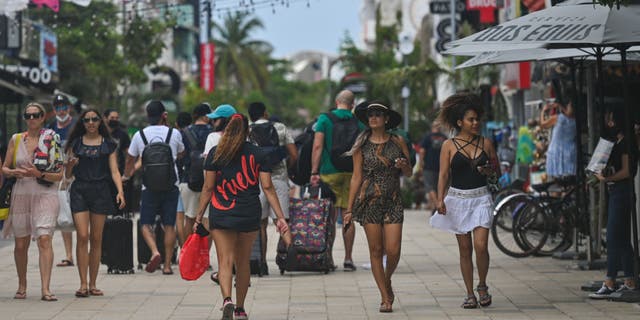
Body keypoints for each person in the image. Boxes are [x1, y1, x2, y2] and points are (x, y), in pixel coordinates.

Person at [193, 113, 290, 320]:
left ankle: (227, 299)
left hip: (222, 212)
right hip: (248, 213)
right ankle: (240, 308)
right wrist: (280, 217)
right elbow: (268, 187)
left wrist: (199, 216)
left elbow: (208, 187)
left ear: (226, 129)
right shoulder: (259, 154)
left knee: (225, 261)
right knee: (243, 262)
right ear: (248, 131)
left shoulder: (215, 153)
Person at [430, 92, 497, 309]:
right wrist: (440, 199)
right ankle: (469, 293)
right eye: (471, 119)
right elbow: (443, 175)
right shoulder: (448, 145)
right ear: (460, 122)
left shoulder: (486, 143)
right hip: (457, 200)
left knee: (481, 245)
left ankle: (483, 285)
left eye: (477, 119)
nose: (476, 123)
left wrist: (489, 170)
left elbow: (497, 170)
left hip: (481, 198)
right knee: (465, 249)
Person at [345, 102, 411, 313]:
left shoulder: (398, 141)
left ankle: (387, 279)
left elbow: (409, 172)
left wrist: (404, 166)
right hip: (369, 201)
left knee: (393, 250)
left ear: (386, 119)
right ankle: (385, 297)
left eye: (378, 114)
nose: (373, 118)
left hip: (393, 200)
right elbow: (356, 177)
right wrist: (348, 209)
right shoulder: (361, 145)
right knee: (376, 250)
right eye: (370, 115)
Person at [2, 102, 64, 301]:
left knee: (44, 238)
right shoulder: (16, 139)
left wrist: (40, 173)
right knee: (21, 244)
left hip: (45, 193)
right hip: (21, 193)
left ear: (43, 117)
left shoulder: (52, 139)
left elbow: (60, 174)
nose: (31, 119)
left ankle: (46, 288)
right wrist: (13, 172)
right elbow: (4, 168)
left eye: (35, 115)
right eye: (27, 116)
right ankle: (22, 285)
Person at [64, 109, 126, 297]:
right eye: (87, 120)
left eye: (94, 119)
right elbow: (67, 176)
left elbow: (114, 171)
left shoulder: (108, 144)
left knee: (96, 238)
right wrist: (70, 166)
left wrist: (120, 192)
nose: (91, 122)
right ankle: (82, 284)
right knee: (83, 235)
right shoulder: (75, 144)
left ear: (100, 121)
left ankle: (92, 283)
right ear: (82, 122)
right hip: (80, 190)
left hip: (101, 191)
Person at [124, 101, 184, 274]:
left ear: (147, 115)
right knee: (169, 226)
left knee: (145, 224)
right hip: (171, 185)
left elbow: (130, 159)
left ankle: (154, 251)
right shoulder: (174, 133)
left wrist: (127, 175)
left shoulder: (139, 135)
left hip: (148, 187)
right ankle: (166, 265)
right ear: (163, 115)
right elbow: (181, 153)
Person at [310, 89, 363, 271]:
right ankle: (348, 259)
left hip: (328, 173)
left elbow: (317, 146)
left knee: (329, 217)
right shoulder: (359, 121)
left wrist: (314, 171)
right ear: (353, 104)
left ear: (336, 101)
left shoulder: (324, 119)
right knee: (348, 216)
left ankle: (329, 258)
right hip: (352, 173)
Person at [589, 108, 637, 298]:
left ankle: (610, 280)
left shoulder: (626, 142)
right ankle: (630, 279)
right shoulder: (618, 141)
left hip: (622, 191)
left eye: (610, 118)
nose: (608, 122)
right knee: (623, 239)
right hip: (617, 191)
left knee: (614, 237)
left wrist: (607, 178)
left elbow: (626, 172)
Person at [248, 101, 298, 275]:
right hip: (279, 178)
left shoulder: (247, 129)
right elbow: (293, 153)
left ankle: (261, 263)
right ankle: (289, 249)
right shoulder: (280, 128)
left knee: (260, 224)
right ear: (265, 113)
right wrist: (288, 169)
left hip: (257, 180)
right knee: (281, 218)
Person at [49, 94, 77, 268]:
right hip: (58, 178)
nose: (61, 110)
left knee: (80, 214)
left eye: (64, 106)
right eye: (58, 107)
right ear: (54, 110)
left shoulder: (76, 126)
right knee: (64, 215)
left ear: (69, 108)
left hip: (76, 176)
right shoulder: (51, 127)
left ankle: (86, 250)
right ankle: (68, 256)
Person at [179, 104, 213, 246]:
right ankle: (204, 256)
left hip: (188, 179)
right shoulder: (213, 133)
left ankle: (188, 252)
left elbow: (179, 155)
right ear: (205, 116)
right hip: (209, 180)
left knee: (189, 218)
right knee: (207, 219)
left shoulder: (184, 132)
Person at [540, 100, 576, 178]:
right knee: (570, 177)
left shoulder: (558, 118)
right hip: (570, 152)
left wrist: (543, 111)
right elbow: (568, 114)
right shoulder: (575, 121)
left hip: (556, 152)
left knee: (558, 179)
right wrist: (560, 106)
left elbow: (543, 125)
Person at [419, 123, 448, 211]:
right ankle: (441, 203)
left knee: (430, 187)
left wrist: (421, 163)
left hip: (429, 166)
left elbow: (422, 151)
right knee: (441, 186)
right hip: (442, 166)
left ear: (432, 127)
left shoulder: (427, 137)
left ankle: (436, 205)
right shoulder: (444, 138)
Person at [174, 111, 193, 247]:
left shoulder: (177, 136)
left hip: (180, 181)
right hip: (198, 179)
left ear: (176, 124)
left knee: (181, 220)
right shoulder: (194, 135)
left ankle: (183, 250)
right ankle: (196, 253)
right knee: (195, 219)